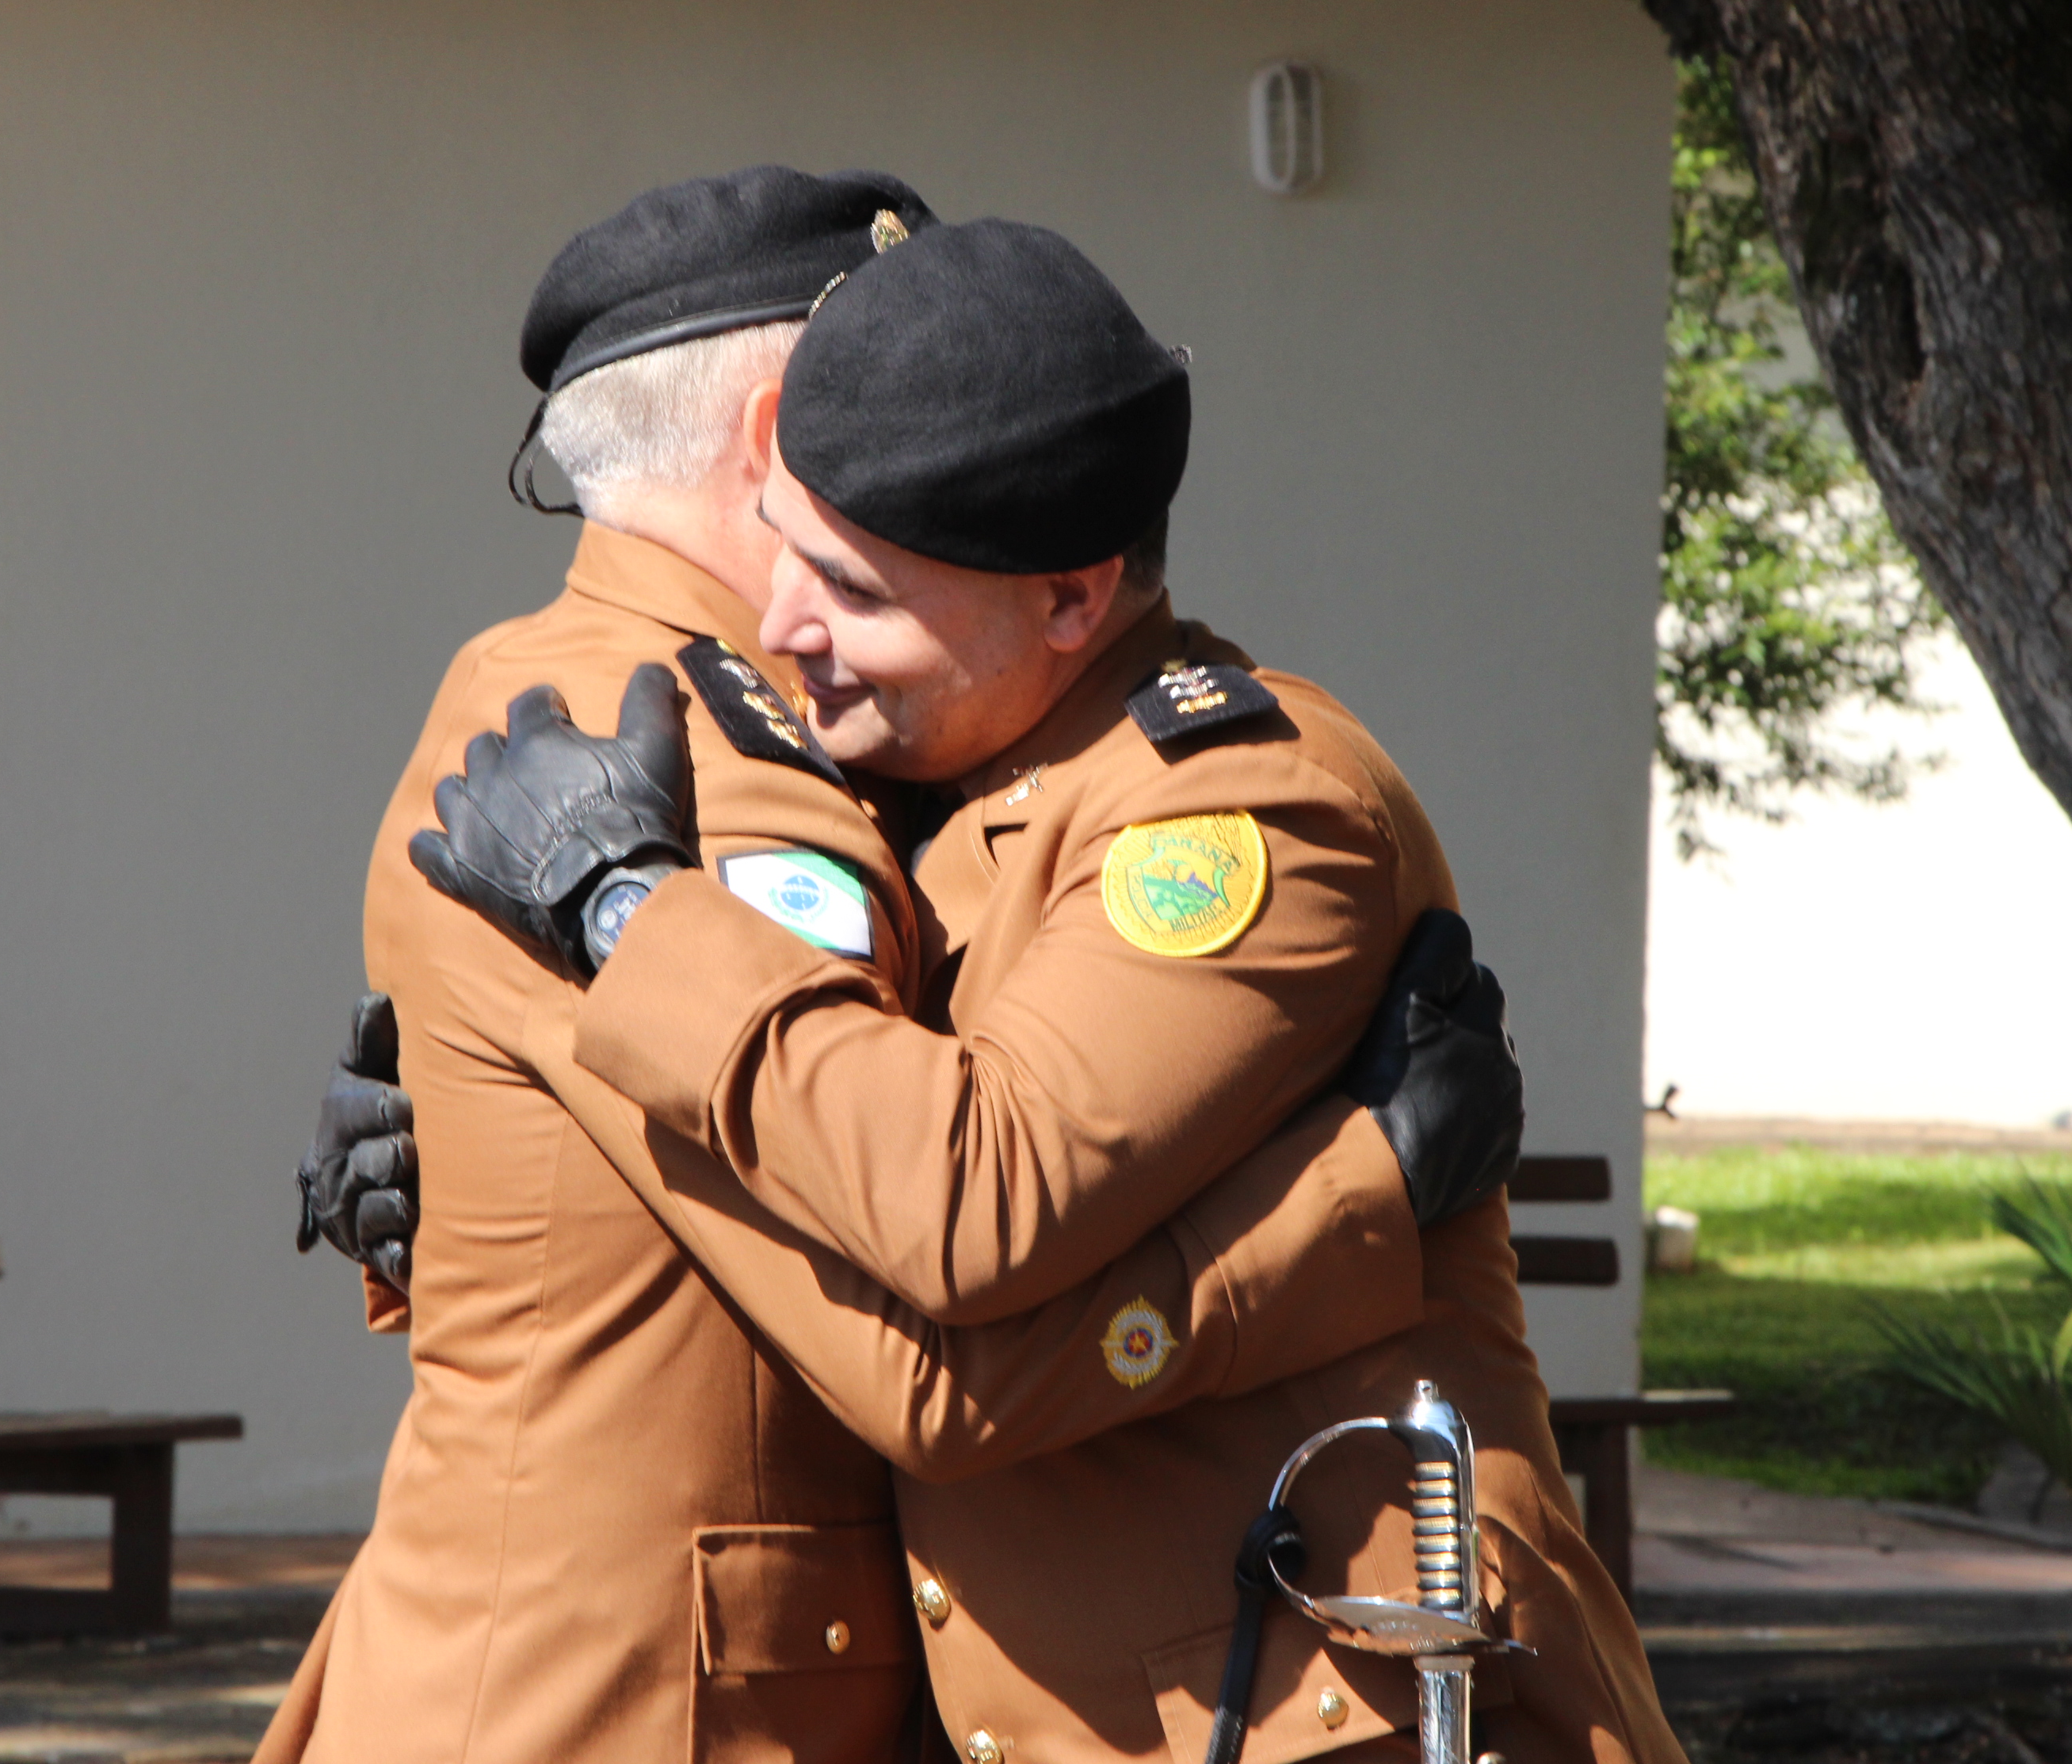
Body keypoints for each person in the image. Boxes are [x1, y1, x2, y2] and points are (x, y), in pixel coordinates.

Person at [263, 170, 1521, 1764]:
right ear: (775, 432)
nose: (796, 627)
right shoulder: (687, 747)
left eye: (853, 581)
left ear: (1068, 592)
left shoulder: (1208, 798)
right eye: (799, 541)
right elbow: (912, 1335)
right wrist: (1362, 1202)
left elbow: (943, 1225)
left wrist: (620, 930)